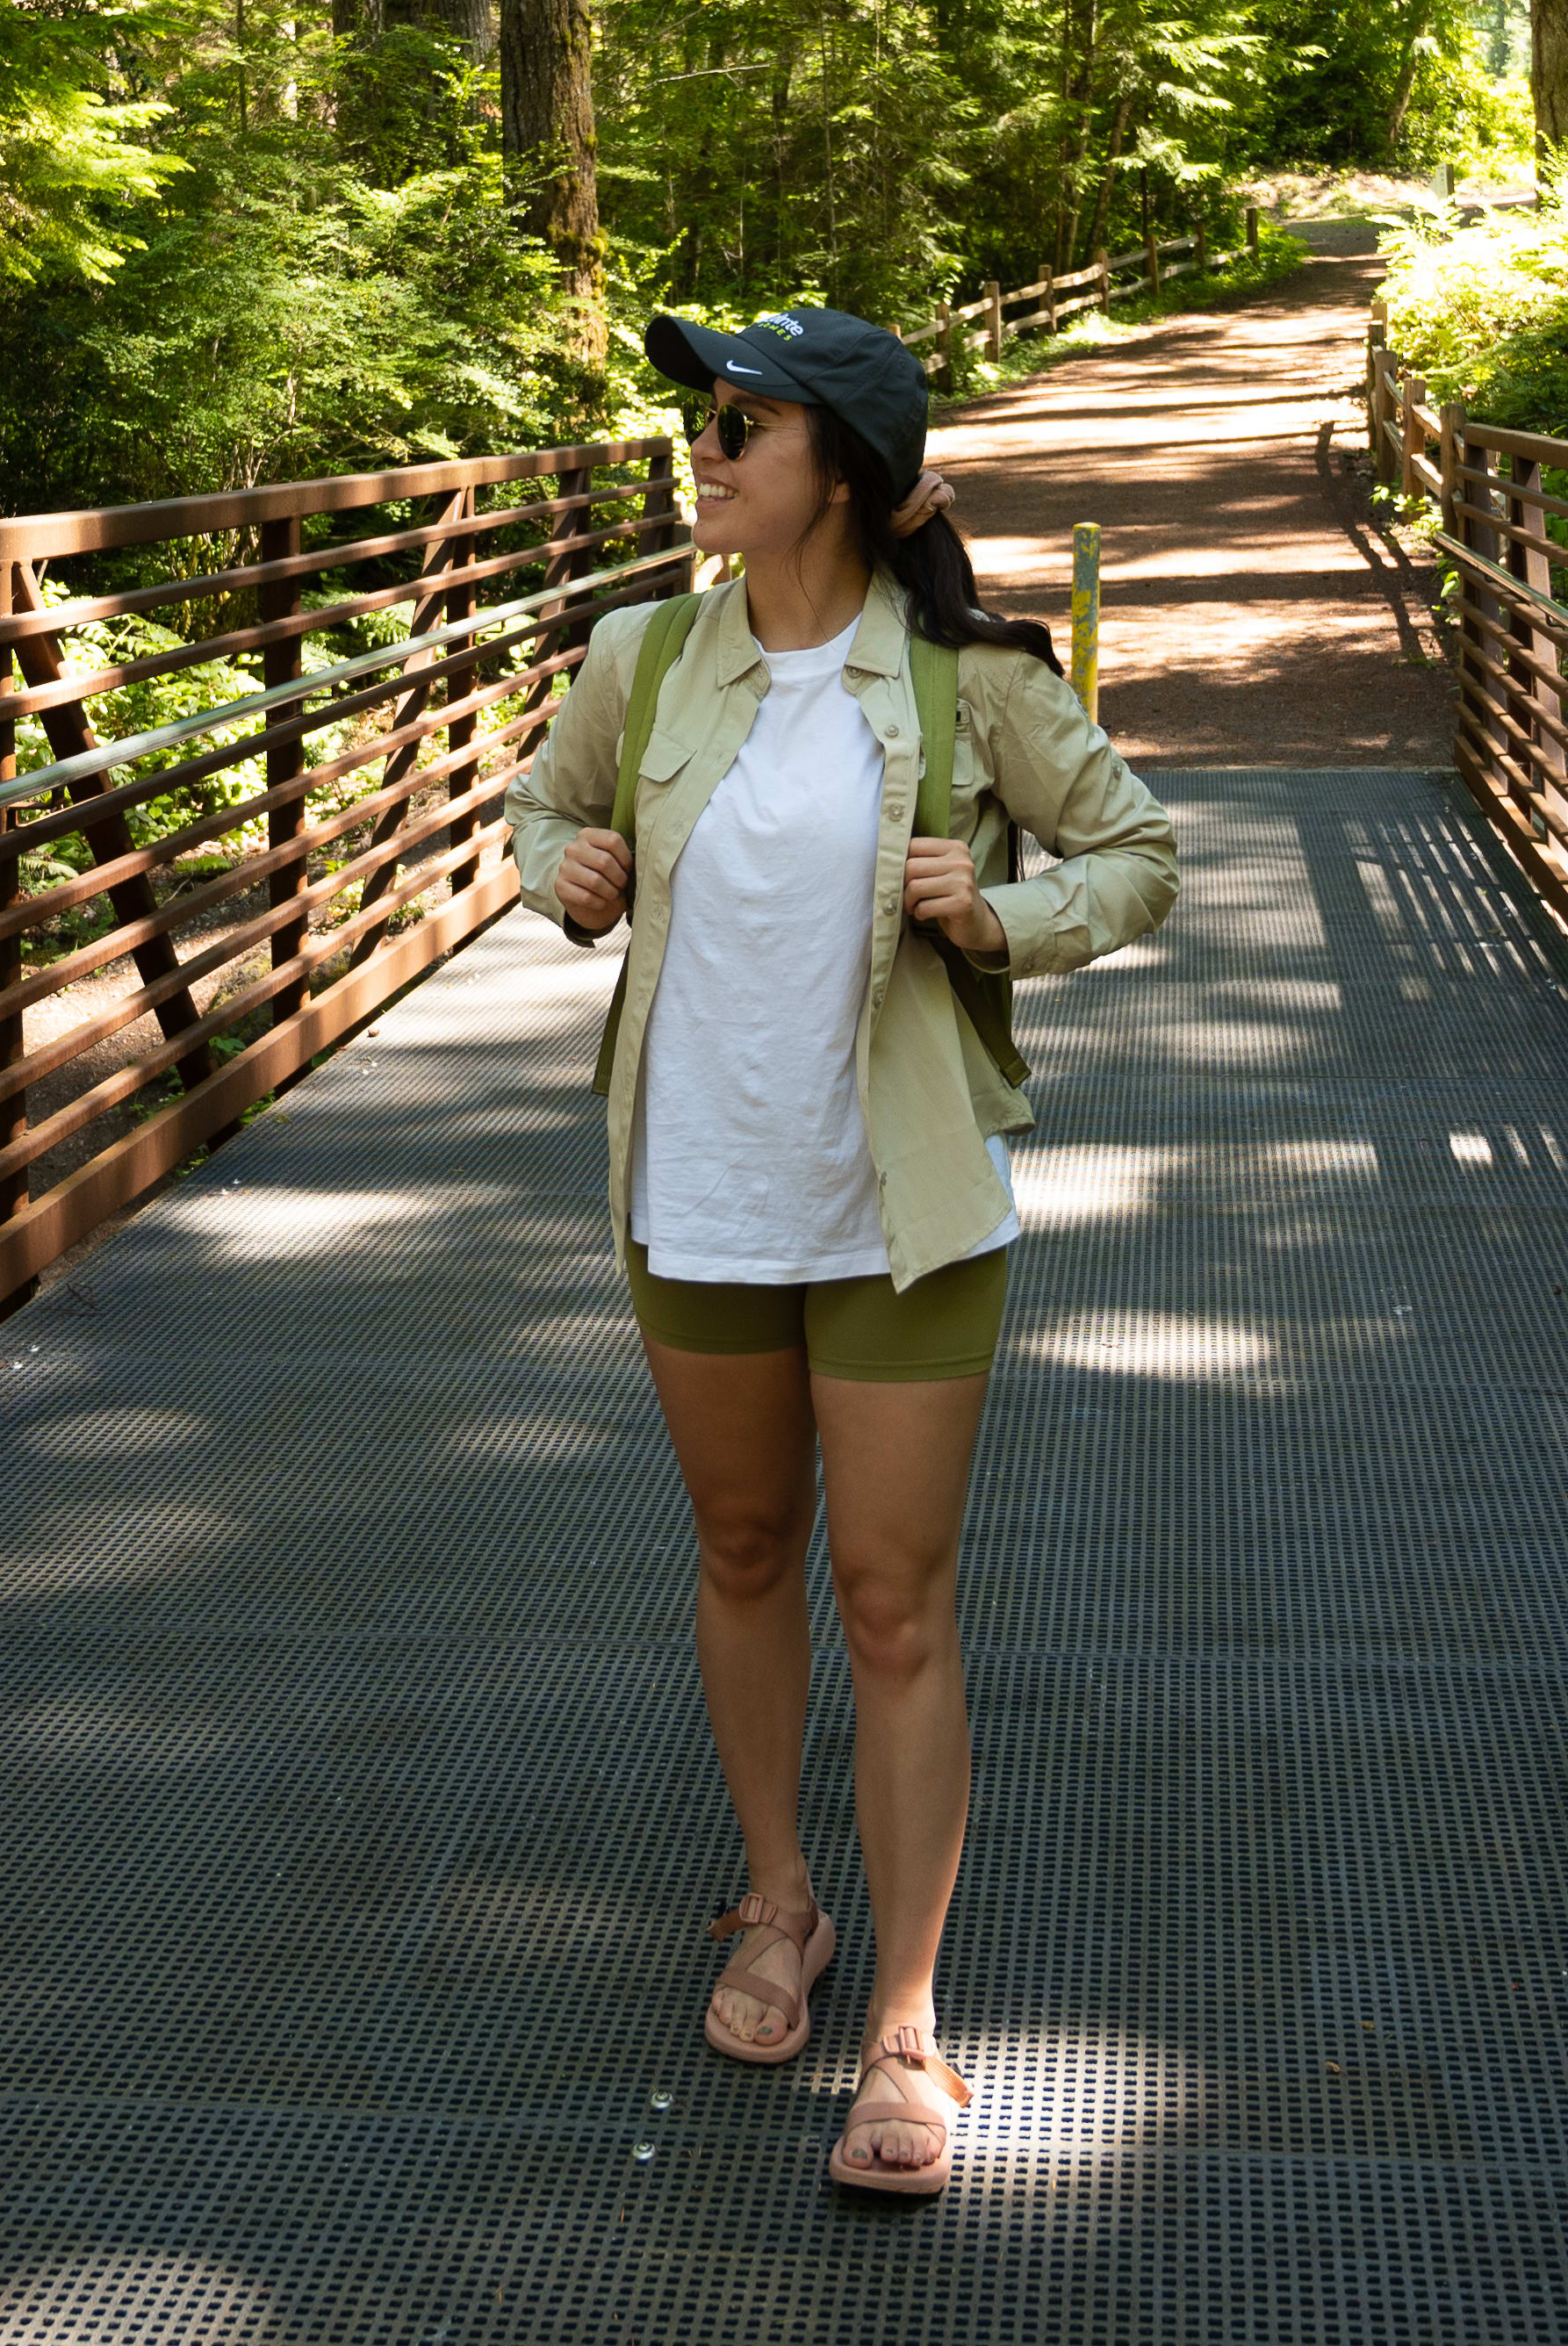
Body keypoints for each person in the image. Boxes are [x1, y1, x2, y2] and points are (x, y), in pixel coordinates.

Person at [507, 306, 1176, 2197]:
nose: (702, 448)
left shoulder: (967, 680)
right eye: (702, 418)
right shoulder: (643, 654)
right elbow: (544, 803)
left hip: (900, 1207)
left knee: (892, 1598)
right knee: (739, 1546)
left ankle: (904, 2012)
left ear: (847, 472)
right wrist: (549, 866)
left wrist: (1003, 913)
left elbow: (1137, 849)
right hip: (695, 1189)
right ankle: (775, 1897)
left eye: (742, 423)